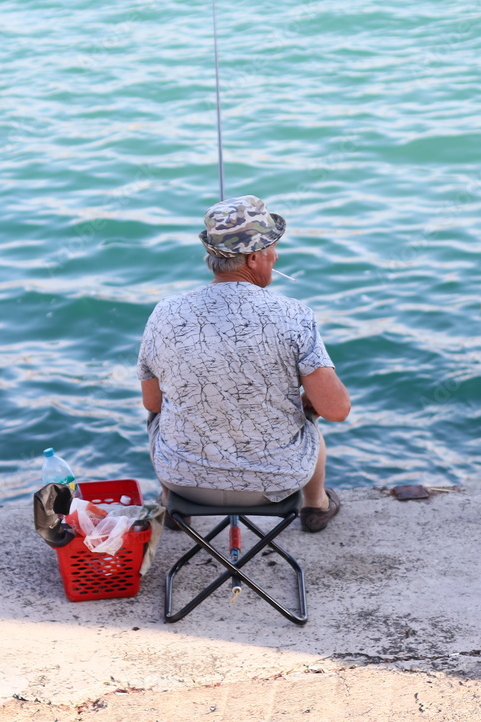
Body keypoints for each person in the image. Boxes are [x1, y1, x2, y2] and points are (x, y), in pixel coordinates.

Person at [138, 195, 350, 532]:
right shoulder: (294, 314)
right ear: (254, 258)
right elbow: (337, 409)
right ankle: (316, 506)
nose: (276, 256)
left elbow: (152, 403)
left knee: (159, 413)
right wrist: (306, 398)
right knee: (308, 415)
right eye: (273, 250)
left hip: (183, 479)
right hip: (275, 483)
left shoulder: (165, 312)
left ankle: (174, 508)